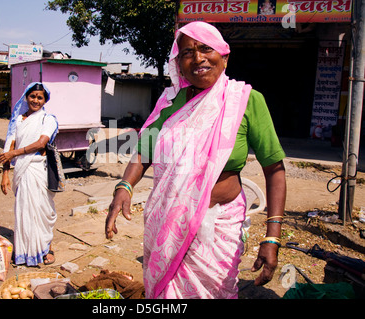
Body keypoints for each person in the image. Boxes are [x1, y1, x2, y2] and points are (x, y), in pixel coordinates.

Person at [105, 21, 287, 299]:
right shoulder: (169, 102)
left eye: (205, 48)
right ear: (178, 63)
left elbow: (274, 170)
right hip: (168, 222)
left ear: (224, 56)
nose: (198, 58)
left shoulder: (246, 101)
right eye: (187, 52)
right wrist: (124, 186)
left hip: (219, 227)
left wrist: (272, 237)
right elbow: (145, 150)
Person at [0, 82, 59, 266]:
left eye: (40, 97)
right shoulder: (18, 120)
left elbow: (41, 143)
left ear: (44, 100)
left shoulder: (47, 119)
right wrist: (5, 174)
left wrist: (14, 154)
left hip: (37, 170)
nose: (35, 100)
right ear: (26, 97)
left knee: (42, 211)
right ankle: (25, 252)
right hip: (21, 172)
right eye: (32, 96)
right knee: (23, 211)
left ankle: (46, 248)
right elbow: (10, 145)